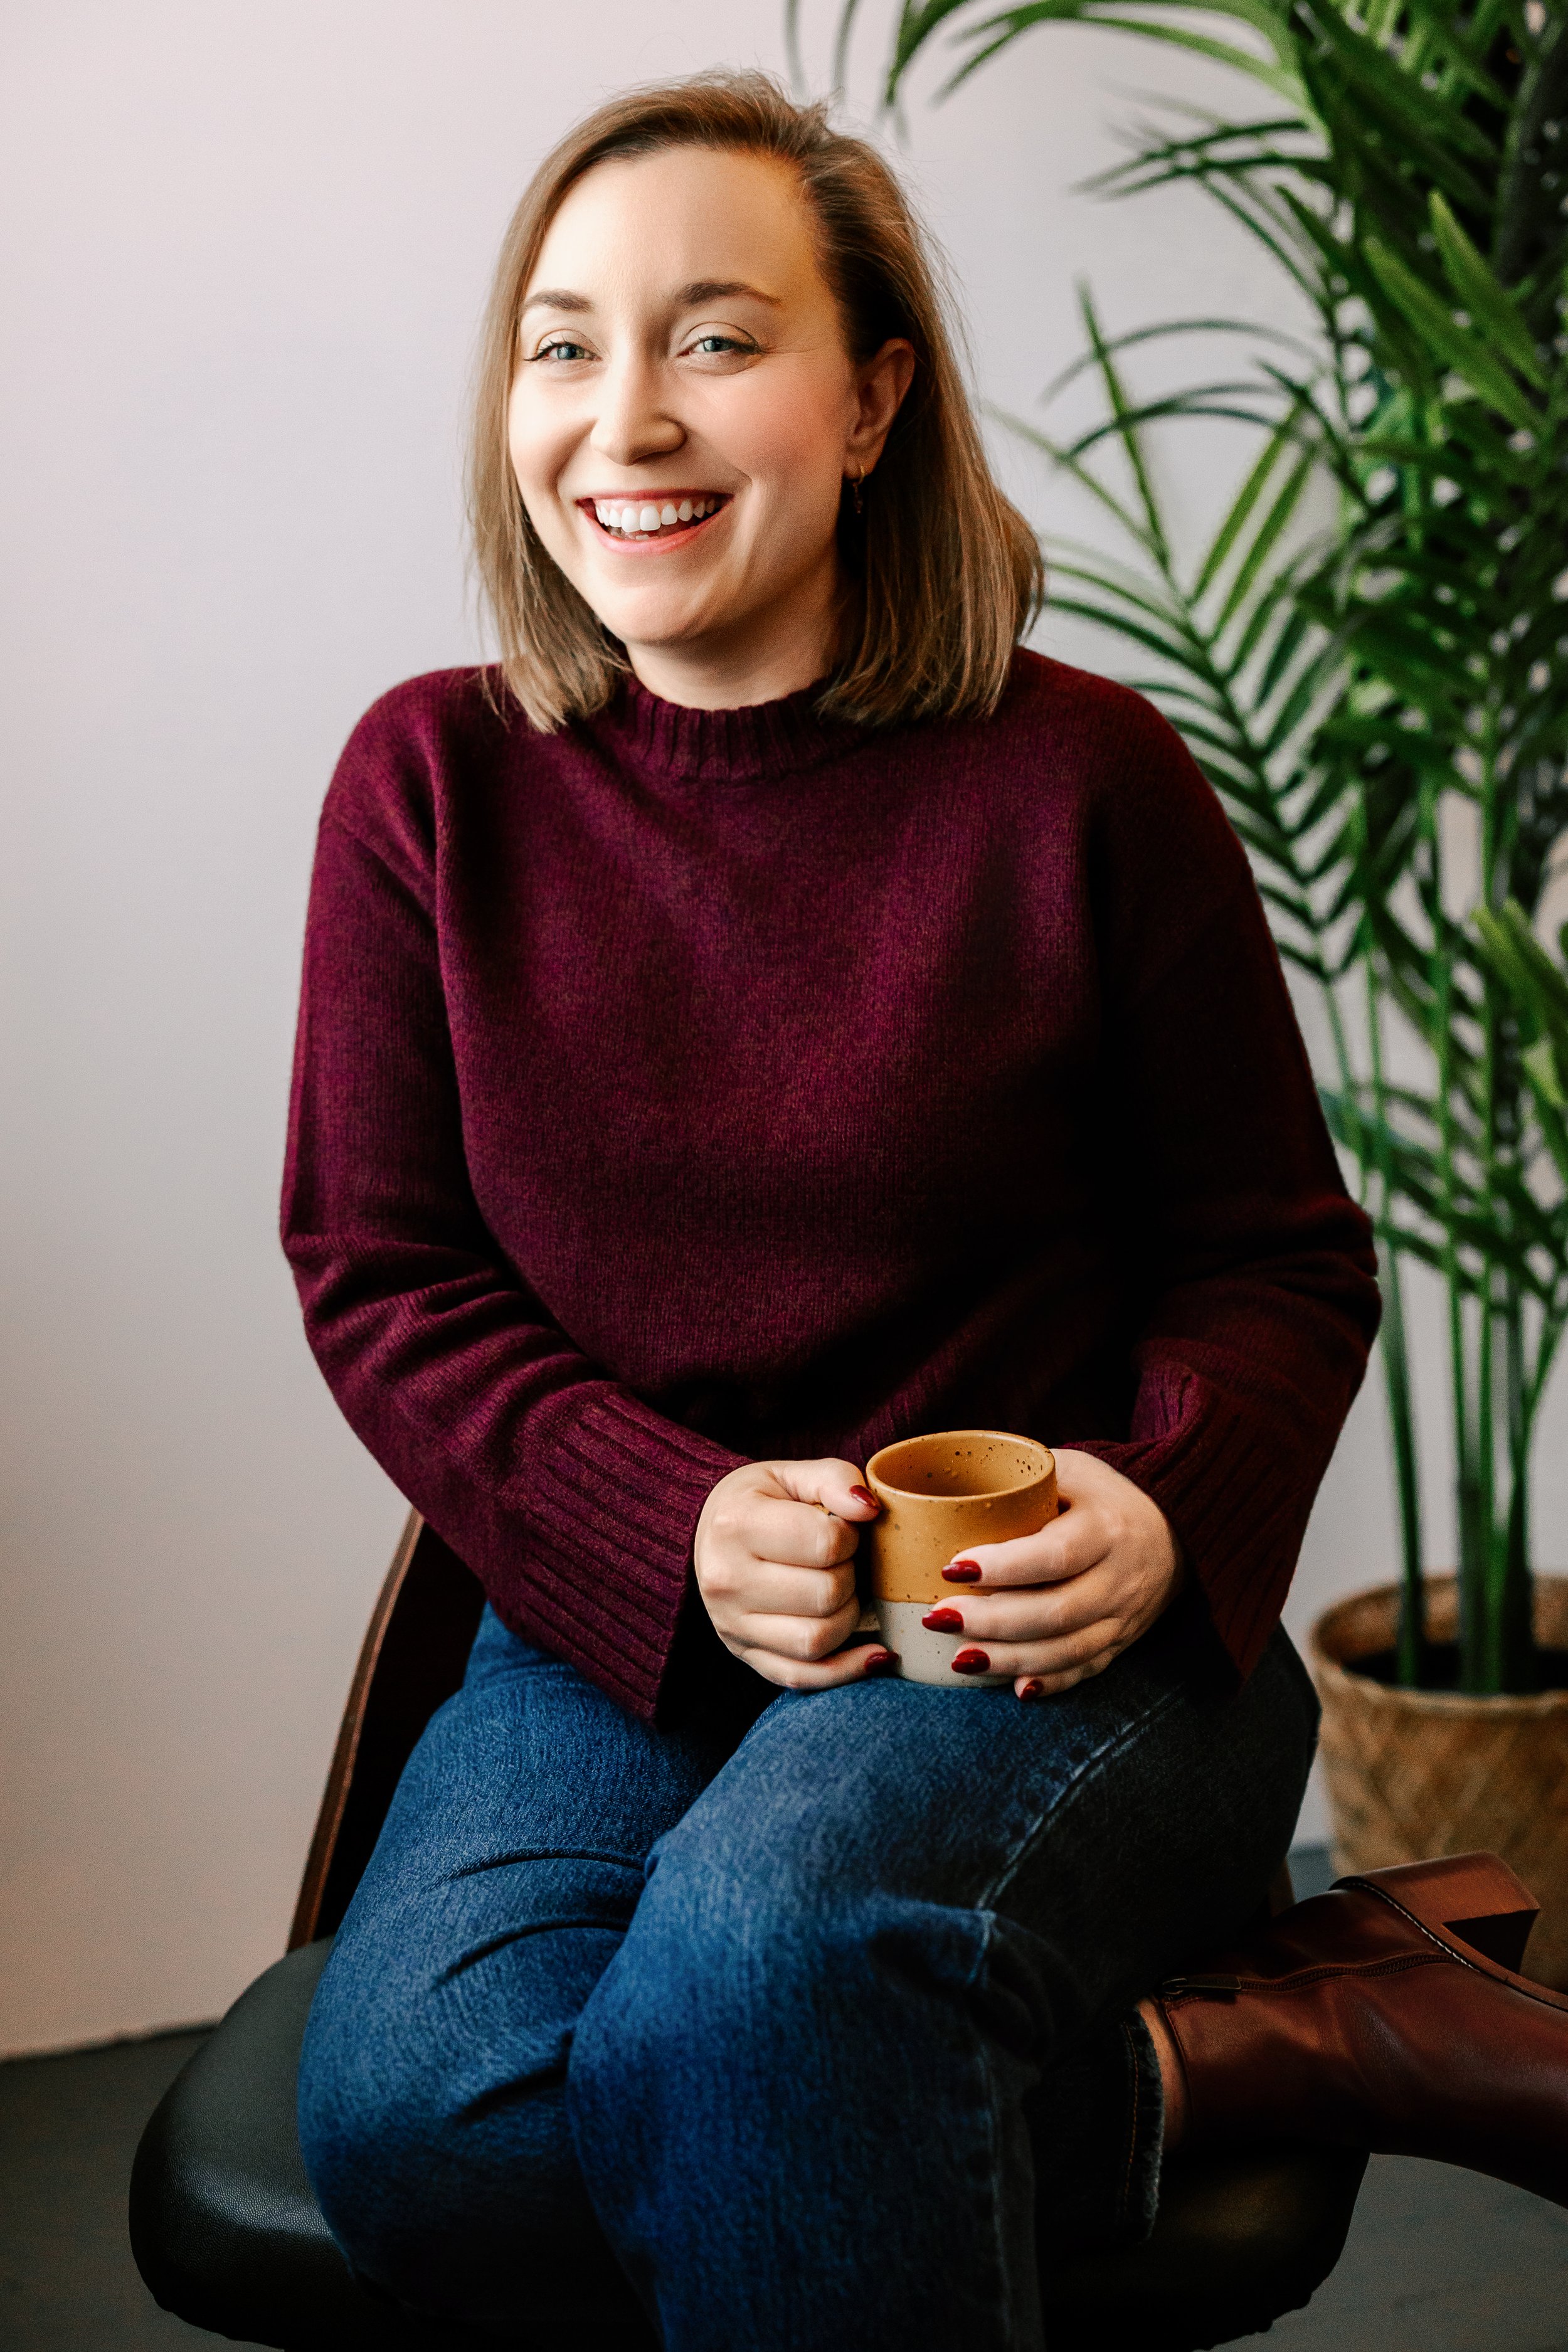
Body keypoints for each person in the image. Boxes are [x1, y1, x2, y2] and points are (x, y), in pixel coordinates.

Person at [280, 68, 1567, 2352]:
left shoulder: (1088, 777)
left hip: (1034, 1626)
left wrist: (1164, 1512)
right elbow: (383, 1277)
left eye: (714, 334)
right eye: (563, 343)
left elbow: (1276, 1260)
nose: (624, 417)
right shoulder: (428, 782)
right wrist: (674, 1524)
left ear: (873, 398)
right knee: (421, 2119)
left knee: (762, 1984)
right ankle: (1247, 2043)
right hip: (615, 1632)